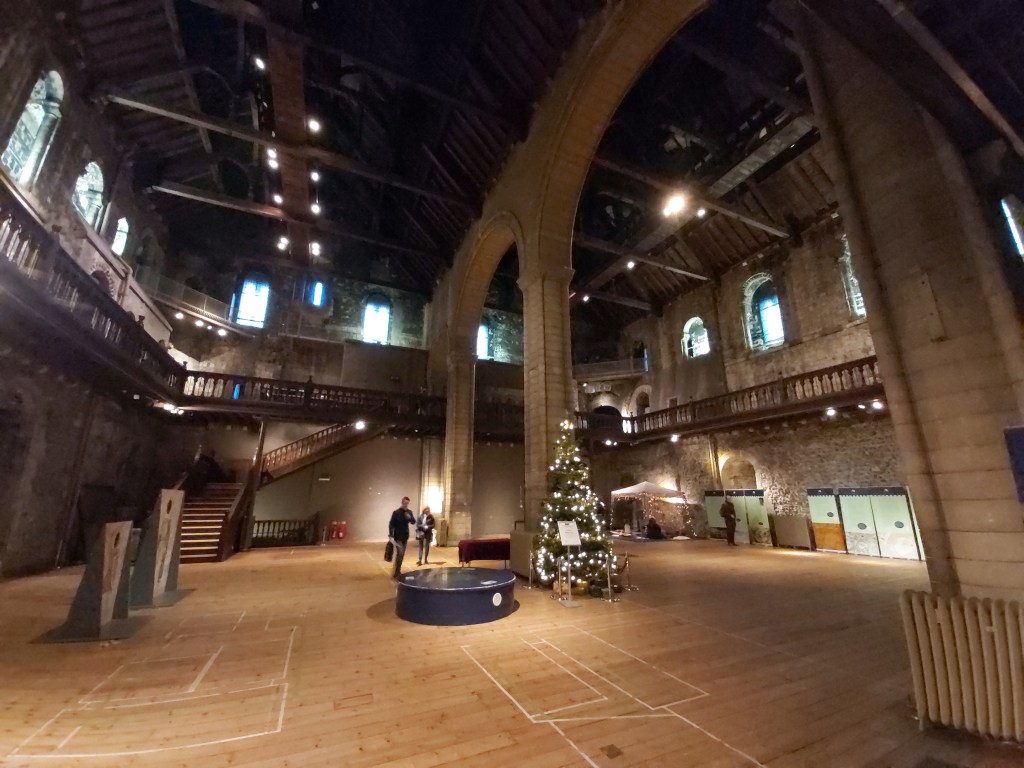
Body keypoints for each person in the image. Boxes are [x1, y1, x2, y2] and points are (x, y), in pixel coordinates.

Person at [387, 496, 415, 578]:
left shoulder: (409, 512)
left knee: (401, 555)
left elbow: (413, 522)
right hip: (397, 536)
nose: (406, 504)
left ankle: (397, 569)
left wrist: (409, 517)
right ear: (402, 502)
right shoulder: (396, 513)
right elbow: (391, 524)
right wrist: (391, 535)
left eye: (407, 503)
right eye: (405, 503)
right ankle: (397, 571)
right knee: (400, 552)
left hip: (405, 536)